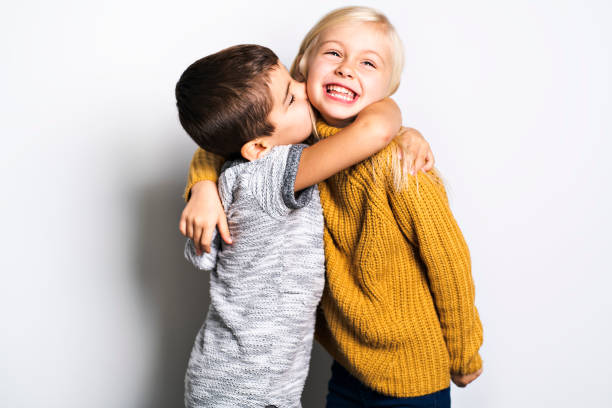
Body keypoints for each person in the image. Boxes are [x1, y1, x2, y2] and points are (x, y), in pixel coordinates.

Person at [181, 6, 484, 407]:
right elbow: (228, 144)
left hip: (408, 371)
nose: (345, 70)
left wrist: (464, 352)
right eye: (334, 54)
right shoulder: (291, 151)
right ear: (305, 66)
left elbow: (449, 263)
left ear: (389, 83)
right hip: (308, 374)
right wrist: (202, 185)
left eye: (368, 63)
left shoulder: (399, 168)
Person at [176, 43, 405, 407]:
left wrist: (203, 186)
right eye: (291, 99)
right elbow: (374, 133)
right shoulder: (269, 173)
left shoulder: (232, 176)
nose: (303, 88)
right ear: (259, 147)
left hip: (232, 376)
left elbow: (203, 253)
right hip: (247, 388)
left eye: (293, 79)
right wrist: (390, 105)